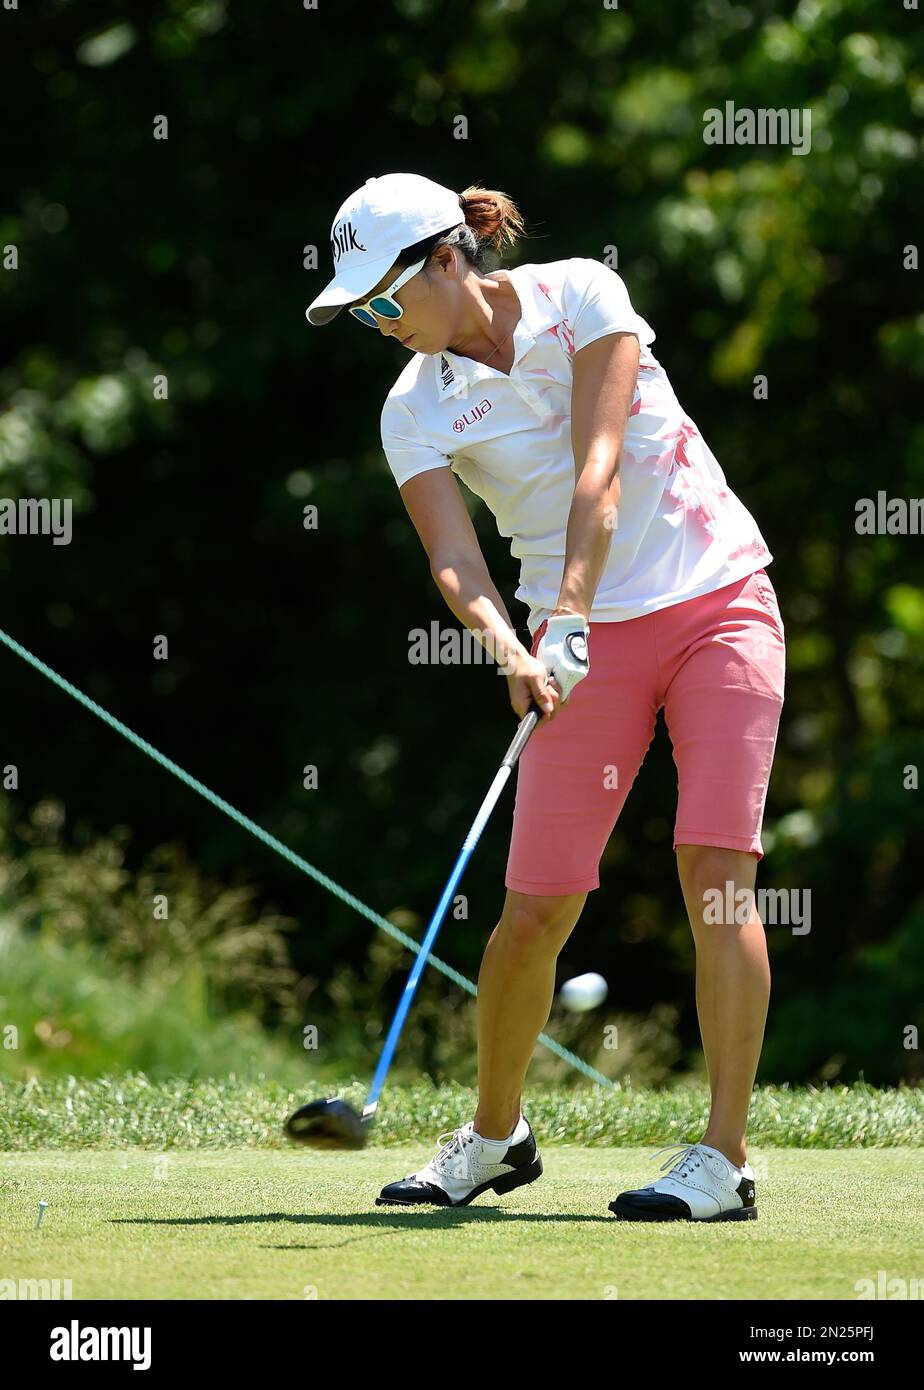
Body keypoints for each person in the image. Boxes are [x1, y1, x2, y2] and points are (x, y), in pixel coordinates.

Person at [306, 172, 785, 1222]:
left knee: (715, 872)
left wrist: (566, 610)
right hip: (573, 648)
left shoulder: (581, 296)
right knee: (534, 910)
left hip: (718, 602)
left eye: (384, 300)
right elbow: (454, 560)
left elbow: (599, 468)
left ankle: (724, 1157)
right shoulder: (412, 409)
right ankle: (494, 1138)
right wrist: (512, 648)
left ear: (446, 259)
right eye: (361, 314)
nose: (378, 326)